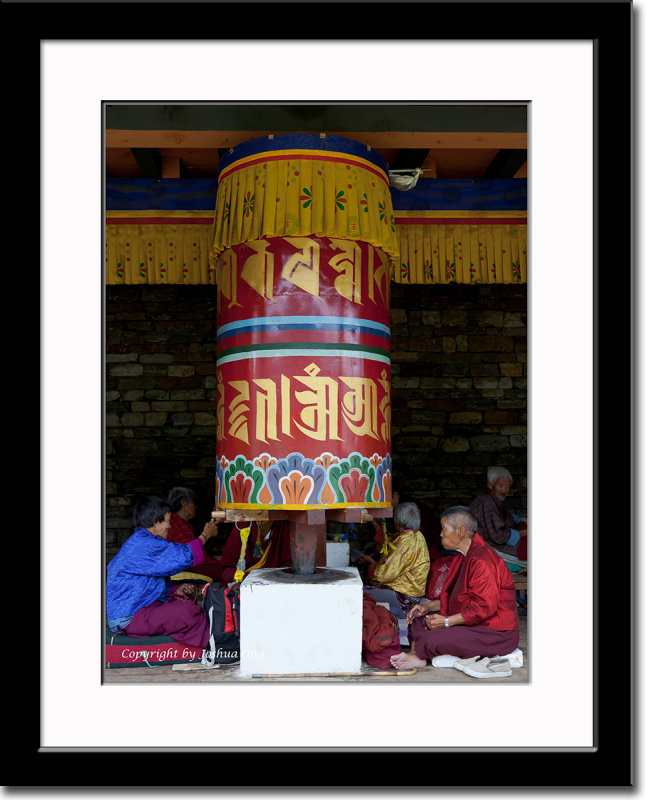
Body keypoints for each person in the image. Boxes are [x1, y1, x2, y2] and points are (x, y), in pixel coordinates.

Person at [390, 506, 519, 670]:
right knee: (417, 620)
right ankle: (417, 654)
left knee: (434, 638)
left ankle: (417, 654)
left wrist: (446, 622)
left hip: (495, 633)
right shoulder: (463, 556)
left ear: (461, 531)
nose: (441, 534)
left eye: (444, 529)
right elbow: (454, 599)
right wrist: (426, 607)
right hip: (472, 623)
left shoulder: (482, 560)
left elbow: (483, 609)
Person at [106, 495, 219, 647]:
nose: (169, 526)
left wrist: (174, 590)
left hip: (137, 611)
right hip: (129, 618)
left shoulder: (143, 541)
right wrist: (205, 535)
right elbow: (182, 556)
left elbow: (146, 583)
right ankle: (211, 648)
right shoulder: (142, 544)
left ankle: (202, 646)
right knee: (188, 612)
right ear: (155, 522)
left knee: (185, 606)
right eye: (167, 521)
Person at [359, 501, 430, 614]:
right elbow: (389, 540)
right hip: (411, 594)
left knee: (359, 594)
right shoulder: (416, 535)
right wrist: (374, 522)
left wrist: (372, 564)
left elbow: (383, 576)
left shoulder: (405, 543)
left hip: (404, 598)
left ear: (399, 522)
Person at [210, 518, 292, 587]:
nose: (262, 517)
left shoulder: (284, 530)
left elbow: (288, 567)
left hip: (272, 585)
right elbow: (227, 565)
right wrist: (234, 583)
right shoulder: (242, 526)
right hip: (242, 583)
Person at [468, 467, 527, 562]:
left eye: (507, 487)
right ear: (490, 485)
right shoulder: (486, 503)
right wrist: (522, 533)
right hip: (488, 542)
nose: (504, 490)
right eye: (501, 486)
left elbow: (504, 516)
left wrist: (521, 519)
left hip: (497, 537)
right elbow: (498, 536)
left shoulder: (494, 500)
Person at [166, 486, 221, 579]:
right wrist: (215, 561)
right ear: (183, 503)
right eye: (193, 502)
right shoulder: (178, 523)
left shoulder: (177, 521)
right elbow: (191, 556)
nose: (196, 506)